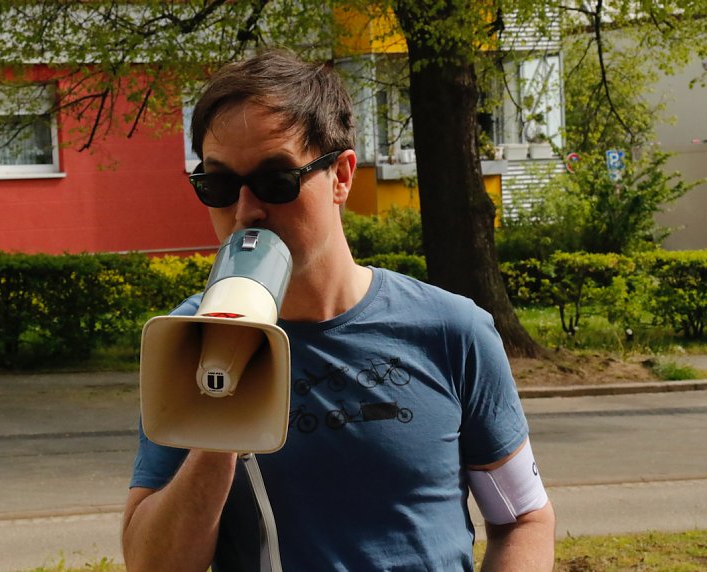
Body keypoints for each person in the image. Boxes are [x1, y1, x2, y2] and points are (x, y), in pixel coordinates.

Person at [122, 48, 555, 571]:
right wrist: (218, 430)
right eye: (218, 184)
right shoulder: (189, 342)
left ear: (342, 176)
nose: (246, 211)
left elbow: (522, 518)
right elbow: (153, 564)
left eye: (276, 180)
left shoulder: (450, 331)